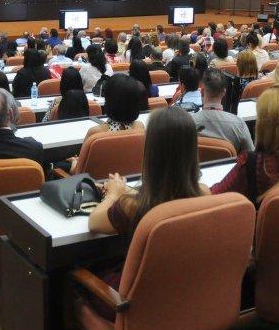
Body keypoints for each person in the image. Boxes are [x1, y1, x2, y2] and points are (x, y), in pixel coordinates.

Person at [87, 106, 210, 317]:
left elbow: (94, 222)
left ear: (151, 150)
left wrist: (114, 194)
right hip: (182, 299)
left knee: (79, 273)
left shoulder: (133, 205)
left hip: (132, 306)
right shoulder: (205, 194)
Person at [193, 68, 254, 153]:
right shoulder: (239, 125)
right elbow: (251, 156)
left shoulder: (189, 123)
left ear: (202, 91)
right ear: (224, 93)